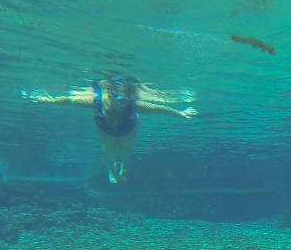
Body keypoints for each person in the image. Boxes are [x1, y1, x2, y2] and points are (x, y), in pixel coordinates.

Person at [28, 76, 197, 184]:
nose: (118, 102)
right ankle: (112, 169)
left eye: (122, 99)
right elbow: (68, 100)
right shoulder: (95, 102)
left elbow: (159, 108)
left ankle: (123, 168)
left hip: (128, 128)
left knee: (126, 149)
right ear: (106, 96)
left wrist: (181, 113)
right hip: (106, 129)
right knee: (108, 150)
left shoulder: (133, 104)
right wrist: (46, 100)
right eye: (113, 98)